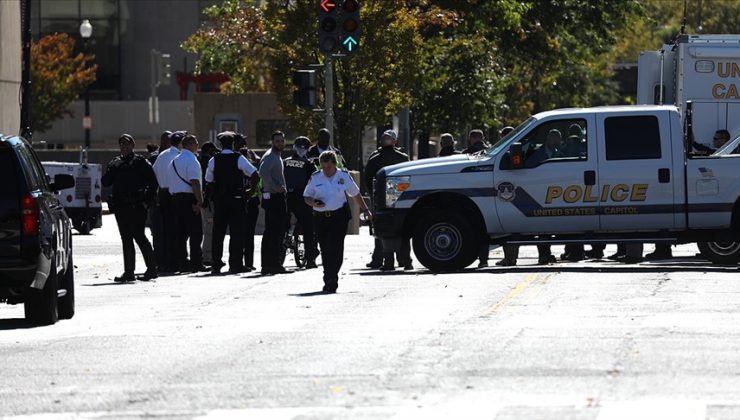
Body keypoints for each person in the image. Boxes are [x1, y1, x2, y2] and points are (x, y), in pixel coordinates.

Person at [304, 151, 371, 293]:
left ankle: (332, 277)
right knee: (325, 248)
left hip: (338, 218)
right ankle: (328, 276)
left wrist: (365, 210)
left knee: (336, 247)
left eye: (329, 167)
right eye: (323, 167)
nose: (326, 170)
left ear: (334, 164)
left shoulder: (343, 176)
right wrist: (313, 202)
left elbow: (355, 194)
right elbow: (306, 196)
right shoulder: (316, 177)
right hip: (321, 218)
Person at [102, 134, 159, 282]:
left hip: (136, 206)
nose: (124, 147)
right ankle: (129, 272)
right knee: (126, 239)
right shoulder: (116, 162)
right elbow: (106, 182)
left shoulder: (141, 162)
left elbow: (153, 183)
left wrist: (146, 201)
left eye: (127, 144)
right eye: (122, 144)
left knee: (139, 236)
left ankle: (152, 268)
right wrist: (112, 169)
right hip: (121, 207)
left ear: (133, 145)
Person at [206, 132, 259, 274]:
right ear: (233, 143)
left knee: (218, 233)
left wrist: (216, 192)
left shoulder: (214, 160)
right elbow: (255, 174)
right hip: (236, 199)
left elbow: (208, 180)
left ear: (220, 144)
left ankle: (216, 264)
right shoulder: (239, 158)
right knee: (237, 233)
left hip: (221, 201)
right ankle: (235, 264)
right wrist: (250, 192)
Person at [364, 129, 412, 271]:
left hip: (381, 200)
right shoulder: (403, 158)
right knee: (403, 230)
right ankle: (405, 260)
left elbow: (368, 180)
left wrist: (375, 196)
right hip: (400, 198)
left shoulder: (374, 159)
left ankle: (386, 262)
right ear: (395, 141)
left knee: (383, 230)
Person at [167, 134, 205, 273]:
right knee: (196, 233)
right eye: (196, 143)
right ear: (190, 144)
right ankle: (196, 262)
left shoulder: (174, 161)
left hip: (176, 199)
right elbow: (194, 182)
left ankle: (182, 262)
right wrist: (200, 201)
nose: (197, 146)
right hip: (189, 198)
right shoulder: (192, 160)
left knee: (181, 234)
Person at [152, 130, 185, 273]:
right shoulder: (178, 156)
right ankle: (175, 262)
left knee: (163, 231)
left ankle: (163, 261)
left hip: (162, 193)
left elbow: (154, 173)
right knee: (175, 230)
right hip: (174, 194)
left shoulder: (161, 156)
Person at [284, 136, 318, 268]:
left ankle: (279, 252)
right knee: (309, 229)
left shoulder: (285, 161)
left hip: (286, 196)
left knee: (282, 225)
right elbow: (315, 180)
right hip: (302, 198)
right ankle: (310, 260)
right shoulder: (309, 164)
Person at [259, 131, 289, 275]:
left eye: (282, 141)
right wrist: (275, 187)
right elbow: (263, 172)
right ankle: (272, 264)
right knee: (274, 232)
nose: (280, 143)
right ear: (272, 142)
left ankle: (271, 264)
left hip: (275, 197)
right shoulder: (271, 156)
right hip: (273, 198)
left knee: (274, 232)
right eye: (277, 141)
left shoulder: (276, 156)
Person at [462, 129, 492, 266]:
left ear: (470, 139)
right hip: (487, 193)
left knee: (474, 229)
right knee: (484, 230)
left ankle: (477, 258)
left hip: (469, 195)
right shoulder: (490, 151)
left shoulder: (465, 154)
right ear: (483, 137)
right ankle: (484, 260)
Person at [147, 130, 172, 270]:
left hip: (166, 197)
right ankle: (160, 261)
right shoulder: (155, 158)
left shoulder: (166, 156)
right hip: (158, 198)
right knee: (158, 232)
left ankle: (167, 260)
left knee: (168, 230)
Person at [239, 146, 261, 271]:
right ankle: (248, 262)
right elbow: (258, 186)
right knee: (249, 235)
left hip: (243, 202)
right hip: (251, 202)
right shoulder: (252, 171)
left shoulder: (237, 170)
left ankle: (242, 261)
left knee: (240, 234)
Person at [198, 141, 220, 266]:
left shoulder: (200, 162)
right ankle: (206, 256)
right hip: (208, 202)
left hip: (203, 200)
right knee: (209, 229)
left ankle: (207, 255)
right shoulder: (207, 163)